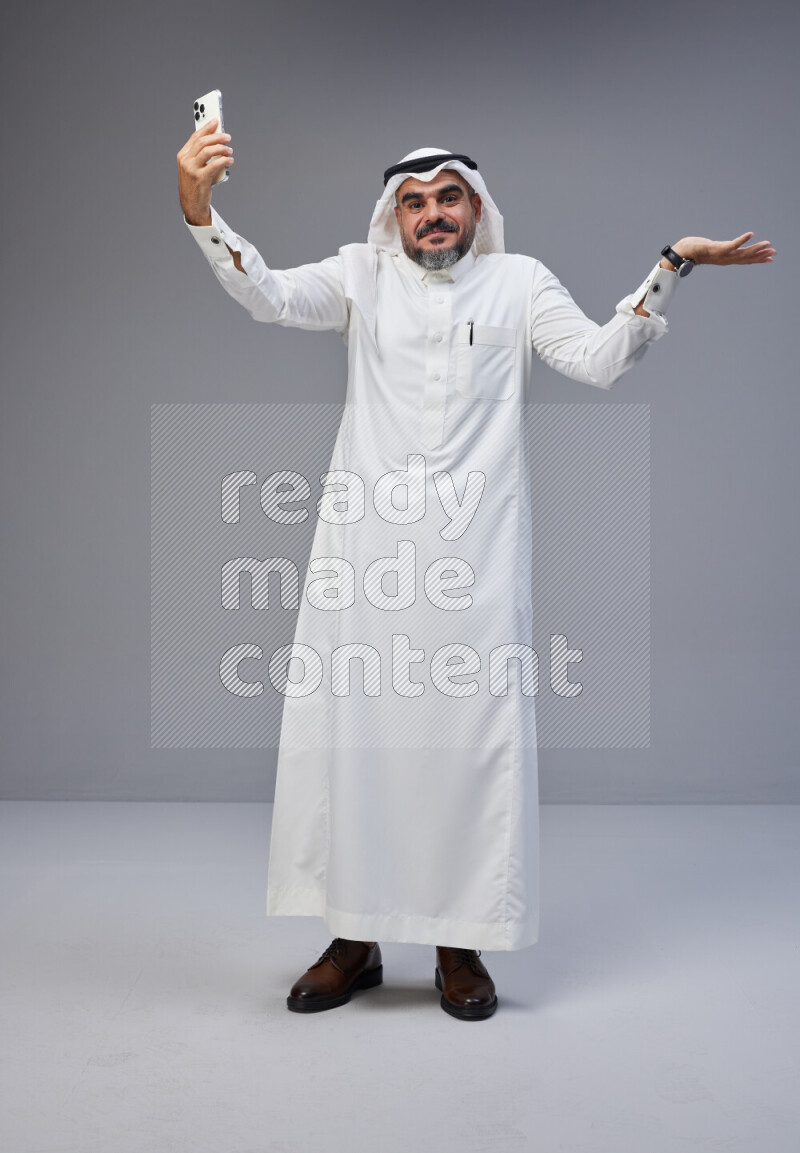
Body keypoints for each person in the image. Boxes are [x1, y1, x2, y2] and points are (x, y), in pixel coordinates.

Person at [177, 119, 775, 1022]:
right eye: (412, 203)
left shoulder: (518, 282)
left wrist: (672, 266)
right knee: (358, 736)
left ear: (476, 205)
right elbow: (267, 294)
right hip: (366, 552)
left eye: (447, 197)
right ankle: (353, 938)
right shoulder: (358, 274)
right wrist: (198, 204)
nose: (431, 214)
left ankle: (460, 946)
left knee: (467, 744)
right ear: (392, 215)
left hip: (475, 558)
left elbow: (598, 358)